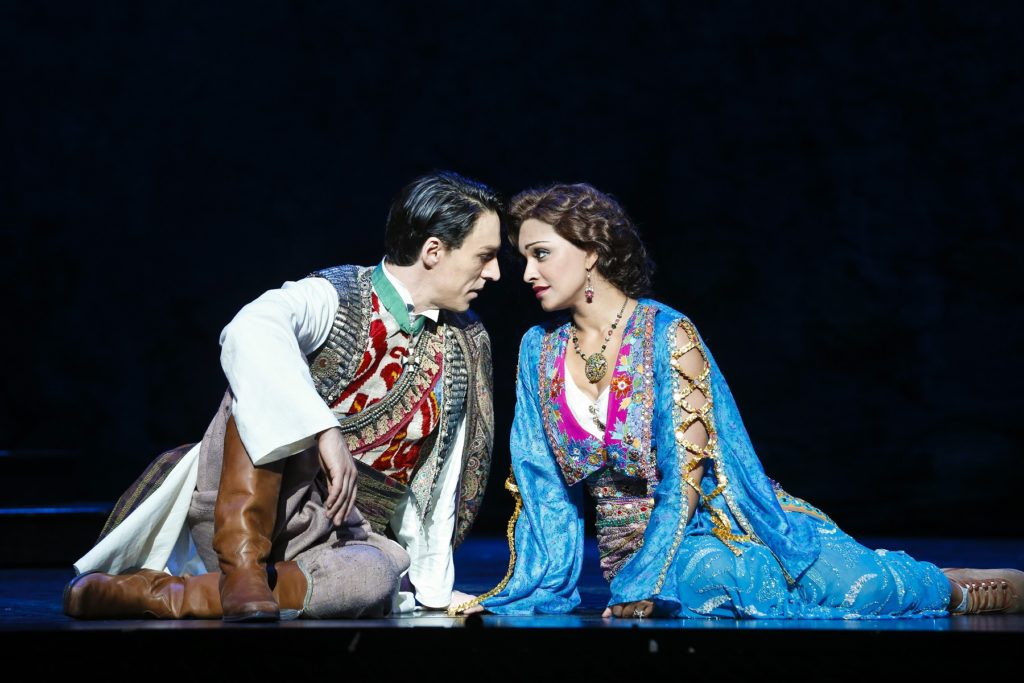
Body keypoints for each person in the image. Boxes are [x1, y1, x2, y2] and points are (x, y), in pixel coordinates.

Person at [454, 182, 1022, 619]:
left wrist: (644, 582)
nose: (526, 272)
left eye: (541, 253)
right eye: (523, 257)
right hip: (633, 555)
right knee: (711, 584)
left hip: (718, 524)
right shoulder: (538, 349)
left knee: (854, 586)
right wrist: (532, 589)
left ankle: (967, 586)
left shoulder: (666, 334)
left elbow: (686, 476)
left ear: (592, 251)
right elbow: (541, 485)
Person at [65, 170, 501, 620]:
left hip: (334, 532)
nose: (495, 272)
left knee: (373, 578)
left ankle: (156, 594)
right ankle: (241, 571)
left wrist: (432, 589)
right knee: (259, 383)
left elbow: (441, 479)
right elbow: (248, 329)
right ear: (433, 251)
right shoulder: (334, 295)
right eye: (484, 256)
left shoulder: (464, 341)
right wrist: (323, 428)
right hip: (245, 508)